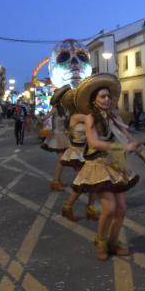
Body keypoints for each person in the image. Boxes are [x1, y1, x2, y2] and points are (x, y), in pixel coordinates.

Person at [71, 73, 141, 260]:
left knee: (121, 209)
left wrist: (137, 149)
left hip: (116, 163)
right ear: (94, 100)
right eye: (102, 96)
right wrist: (122, 147)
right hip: (99, 165)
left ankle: (113, 242)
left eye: (108, 96)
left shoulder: (114, 117)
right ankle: (101, 241)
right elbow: (93, 142)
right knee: (109, 208)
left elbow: (127, 136)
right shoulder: (90, 118)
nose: (107, 99)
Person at [59, 88, 99, 222]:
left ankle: (90, 209)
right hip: (77, 153)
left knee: (93, 182)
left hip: (87, 152)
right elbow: (93, 117)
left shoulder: (84, 115)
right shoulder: (76, 117)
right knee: (85, 182)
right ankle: (67, 207)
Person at [42, 85, 72, 191]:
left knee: (62, 160)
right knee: (62, 160)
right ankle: (55, 182)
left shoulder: (65, 109)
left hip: (63, 136)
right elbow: (45, 117)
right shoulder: (55, 108)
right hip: (56, 136)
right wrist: (39, 118)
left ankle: (58, 180)